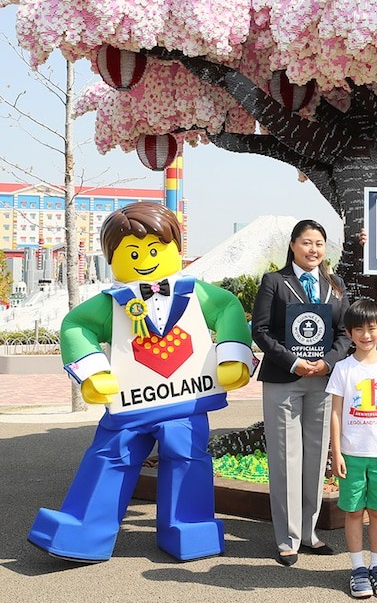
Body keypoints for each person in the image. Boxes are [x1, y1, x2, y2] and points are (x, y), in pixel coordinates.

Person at [28, 202, 255, 563]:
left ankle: (189, 528)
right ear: (112, 257)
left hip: (185, 401)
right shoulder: (112, 303)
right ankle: (83, 532)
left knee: (188, 457)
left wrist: (231, 356)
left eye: (154, 249)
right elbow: (76, 325)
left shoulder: (196, 293)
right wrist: (93, 372)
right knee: (110, 456)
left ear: (175, 249)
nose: (145, 259)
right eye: (132, 253)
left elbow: (229, 309)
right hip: (131, 404)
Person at [253, 219, 351, 566]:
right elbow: (261, 330)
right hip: (285, 379)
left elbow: (345, 331)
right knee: (285, 460)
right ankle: (287, 538)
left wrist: (328, 361)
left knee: (315, 458)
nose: (313, 249)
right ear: (293, 245)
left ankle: (309, 533)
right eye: (307, 242)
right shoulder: (274, 282)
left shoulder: (335, 284)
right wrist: (293, 362)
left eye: (319, 243)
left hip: (323, 381)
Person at [326, 298, 377, 598]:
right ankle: (358, 568)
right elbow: (336, 413)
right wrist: (336, 452)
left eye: (372, 328)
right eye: (358, 329)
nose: (365, 335)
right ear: (349, 332)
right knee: (352, 512)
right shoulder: (343, 369)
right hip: (352, 454)